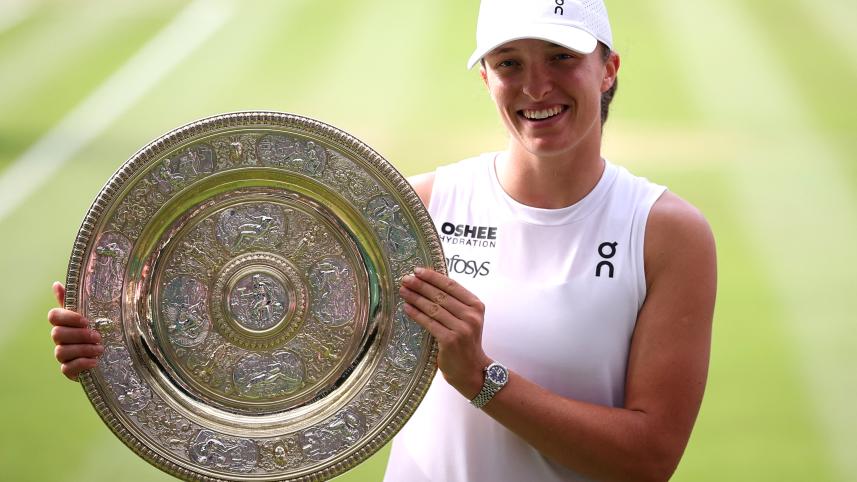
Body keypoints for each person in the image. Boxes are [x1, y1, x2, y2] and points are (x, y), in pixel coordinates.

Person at [48, 1, 717, 481]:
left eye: (561, 59)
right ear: (485, 78)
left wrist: (482, 380)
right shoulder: (414, 209)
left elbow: (648, 459)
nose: (535, 86)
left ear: (607, 68)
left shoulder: (664, 233)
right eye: (509, 63)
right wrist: (117, 338)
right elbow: (270, 314)